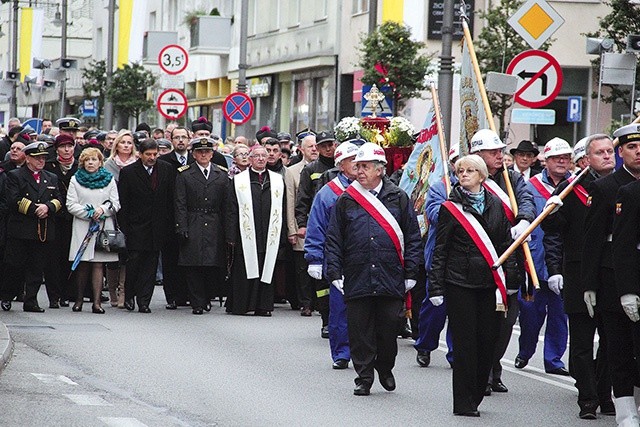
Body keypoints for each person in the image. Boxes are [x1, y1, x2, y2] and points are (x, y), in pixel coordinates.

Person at [324, 143, 421, 396]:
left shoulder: (398, 197)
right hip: (357, 274)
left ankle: (385, 366)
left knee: (389, 328)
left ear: (380, 170)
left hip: (390, 275)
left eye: (365, 166)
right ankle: (364, 376)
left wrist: (411, 273)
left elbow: (412, 237)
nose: (359, 172)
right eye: (357, 166)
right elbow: (334, 239)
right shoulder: (347, 200)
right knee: (359, 330)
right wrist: (335, 273)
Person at [429, 154, 521, 417]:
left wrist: (512, 279)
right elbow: (441, 249)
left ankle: (478, 392)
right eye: (460, 171)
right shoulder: (450, 208)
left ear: (482, 175)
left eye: (470, 170)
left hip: (490, 284)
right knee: (465, 344)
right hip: (460, 282)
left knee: (488, 341)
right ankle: (463, 401)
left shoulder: (496, 205)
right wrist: (435, 287)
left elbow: (506, 246)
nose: (464, 175)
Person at [541, 134, 616, 419]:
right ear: (585, 160)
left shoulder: (625, 186)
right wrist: (551, 211)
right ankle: (587, 397)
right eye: (600, 152)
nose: (608, 156)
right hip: (579, 272)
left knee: (611, 340)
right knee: (583, 341)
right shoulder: (572, 191)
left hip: (609, 274)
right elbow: (554, 230)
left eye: (610, 151)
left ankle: (605, 390)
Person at [468, 129, 535, 394]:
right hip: (478, 259)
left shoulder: (513, 178)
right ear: (478, 155)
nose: (500, 156)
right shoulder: (467, 177)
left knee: (506, 322)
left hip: (510, 261)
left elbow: (527, 200)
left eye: (500, 151)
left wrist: (524, 220)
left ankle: (494, 368)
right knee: (480, 322)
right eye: (493, 152)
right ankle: (480, 372)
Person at [588, 123, 640, 425]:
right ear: (622, 153)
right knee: (618, 346)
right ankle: (624, 411)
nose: (638, 152)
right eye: (631, 147)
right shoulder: (612, 188)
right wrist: (589, 283)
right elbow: (597, 240)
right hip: (615, 277)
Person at [515, 137, 571, 376]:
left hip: (561, 260)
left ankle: (554, 359)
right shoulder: (530, 186)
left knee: (560, 314)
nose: (561, 161)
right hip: (533, 259)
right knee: (530, 312)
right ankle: (525, 351)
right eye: (556, 158)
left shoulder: (575, 185)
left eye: (566, 158)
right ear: (545, 161)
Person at [305, 141, 358, 369]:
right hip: (339, 257)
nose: (358, 164)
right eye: (352, 160)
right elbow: (316, 225)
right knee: (340, 310)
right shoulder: (328, 193)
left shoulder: (374, 189)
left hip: (367, 258)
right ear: (340, 164)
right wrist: (314, 257)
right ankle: (342, 352)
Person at [2, 142, 63, 312]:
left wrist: (49, 207)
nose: (41, 161)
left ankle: (31, 300)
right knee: (14, 265)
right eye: (37, 158)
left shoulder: (51, 177)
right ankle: (7, 296)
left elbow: (59, 199)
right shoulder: (15, 175)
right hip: (21, 228)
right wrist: (36, 209)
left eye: (43, 158)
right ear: (28, 158)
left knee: (36, 267)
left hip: (41, 230)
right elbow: (14, 199)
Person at [226, 145, 286, 316]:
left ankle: (263, 306)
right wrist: (230, 235)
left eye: (263, 156)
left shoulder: (276, 180)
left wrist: (283, 234)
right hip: (245, 234)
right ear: (250, 159)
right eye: (256, 156)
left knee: (266, 267)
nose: (260, 159)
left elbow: (282, 208)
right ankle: (242, 305)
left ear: (268, 159)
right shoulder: (239, 180)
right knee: (244, 268)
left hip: (269, 233)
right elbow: (231, 209)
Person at [414, 145, 460, 369]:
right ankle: (425, 344)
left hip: (465, 258)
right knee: (436, 306)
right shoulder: (440, 187)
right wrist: (456, 205)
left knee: (461, 309)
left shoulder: (481, 188)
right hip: (441, 254)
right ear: (452, 164)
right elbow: (433, 213)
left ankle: (456, 353)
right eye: (458, 162)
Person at [117, 139, 175, 313]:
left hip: (158, 226)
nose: (152, 158)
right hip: (136, 226)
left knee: (150, 265)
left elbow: (170, 198)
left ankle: (144, 301)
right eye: (148, 154)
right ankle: (129, 296)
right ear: (140, 154)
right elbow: (123, 203)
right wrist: (125, 228)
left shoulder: (166, 169)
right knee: (134, 262)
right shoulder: (128, 172)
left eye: (154, 154)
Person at [174, 137, 230, 314]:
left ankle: (207, 298)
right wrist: (181, 227)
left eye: (207, 152)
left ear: (212, 154)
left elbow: (227, 205)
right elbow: (180, 203)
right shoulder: (184, 174)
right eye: (200, 152)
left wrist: (228, 230)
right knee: (194, 264)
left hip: (215, 222)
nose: (203, 155)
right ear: (194, 154)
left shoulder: (221, 174)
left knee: (212, 264)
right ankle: (197, 302)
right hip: (193, 220)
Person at [66, 147, 120, 313]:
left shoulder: (109, 179)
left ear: (100, 162)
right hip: (83, 226)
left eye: (94, 159)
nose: (90, 163)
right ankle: (79, 300)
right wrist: (88, 213)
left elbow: (116, 203)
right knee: (83, 264)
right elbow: (70, 204)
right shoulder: (75, 179)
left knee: (98, 264)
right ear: (82, 162)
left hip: (102, 227)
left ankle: (97, 303)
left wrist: (102, 210)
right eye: (87, 160)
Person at [296, 130, 337, 337]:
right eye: (324, 145)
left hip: (339, 227)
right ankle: (326, 319)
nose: (329, 148)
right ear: (318, 148)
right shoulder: (311, 169)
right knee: (322, 281)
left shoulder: (344, 168)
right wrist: (302, 224)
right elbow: (303, 199)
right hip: (319, 225)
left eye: (332, 144)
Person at [158, 125, 192, 309]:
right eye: (177, 137)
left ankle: (187, 294)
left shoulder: (196, 160)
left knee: (189, 258)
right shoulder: (163, 162)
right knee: (170, 259)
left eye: (183, 137)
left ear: (189, 140)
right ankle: (171, 296)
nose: (180, 140)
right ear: (171, 140)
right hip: (169, 219)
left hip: (191, 218)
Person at [285, 133, 318, 316]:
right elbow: (291, 202)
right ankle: (306, 302)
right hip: (302, 226)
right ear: (301, 149)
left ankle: (320, 302)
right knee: (302, 268)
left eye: (316, 146)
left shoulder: (326, 169)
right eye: (310, 146)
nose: (314, 149)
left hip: (320, 226)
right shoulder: (292, 171)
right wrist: (292, 229)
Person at [44, 134, 78, 307]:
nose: (66, 150)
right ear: (56, 149)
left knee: (69, 257)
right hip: (54, 217)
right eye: (63, 146)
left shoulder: (79, 167)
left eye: (70, 146)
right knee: (52, 258)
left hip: (74, 218)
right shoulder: (50, 166)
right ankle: (54, 295)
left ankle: (66, 292)